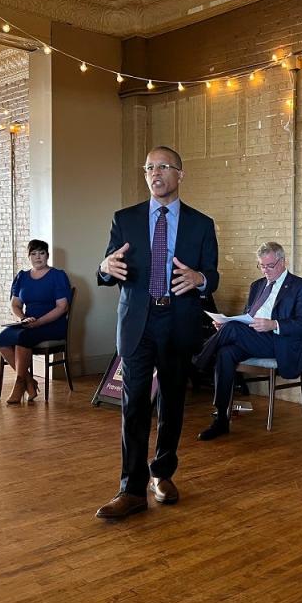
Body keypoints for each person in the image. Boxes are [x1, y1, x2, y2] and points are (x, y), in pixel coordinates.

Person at [95, 146, 219, 520]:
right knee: (134, 406)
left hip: (178, 321)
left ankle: (161, 473)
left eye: (164, 166)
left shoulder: (201, 224)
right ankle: (130, 489)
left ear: (180, 174)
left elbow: (213, 276)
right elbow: (106, 267)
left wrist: (200, 279)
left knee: (172, 401)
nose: (155, 173)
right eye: (149, 167)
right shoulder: (125, 219)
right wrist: (103, 268)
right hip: (137, 322)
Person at [192, 242, 302, 440]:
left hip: (278, 342)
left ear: (282, 262)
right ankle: (221, 420)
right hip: (253, 337)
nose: (265, 270)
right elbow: (248, 316)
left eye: (269, 266)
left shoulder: (301, 286)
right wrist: (227, 324)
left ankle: (198, 362)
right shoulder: (257, 285)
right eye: (261, 266)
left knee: (231, 330)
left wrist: (273, 324)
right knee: (225, 352)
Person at [0, 239, 71, 404]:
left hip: (52, 324)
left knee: (24, 338)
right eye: (34, 253)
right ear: (29, 256)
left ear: (47, 255)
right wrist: (23, 318)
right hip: (28, 323)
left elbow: (62, 307)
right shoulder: (22, 277)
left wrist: (39, 322)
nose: (38, 257)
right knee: (2, 338)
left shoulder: (57, 276)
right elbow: (15, 304)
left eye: (42, 253)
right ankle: (29, 381)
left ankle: (20, 383)